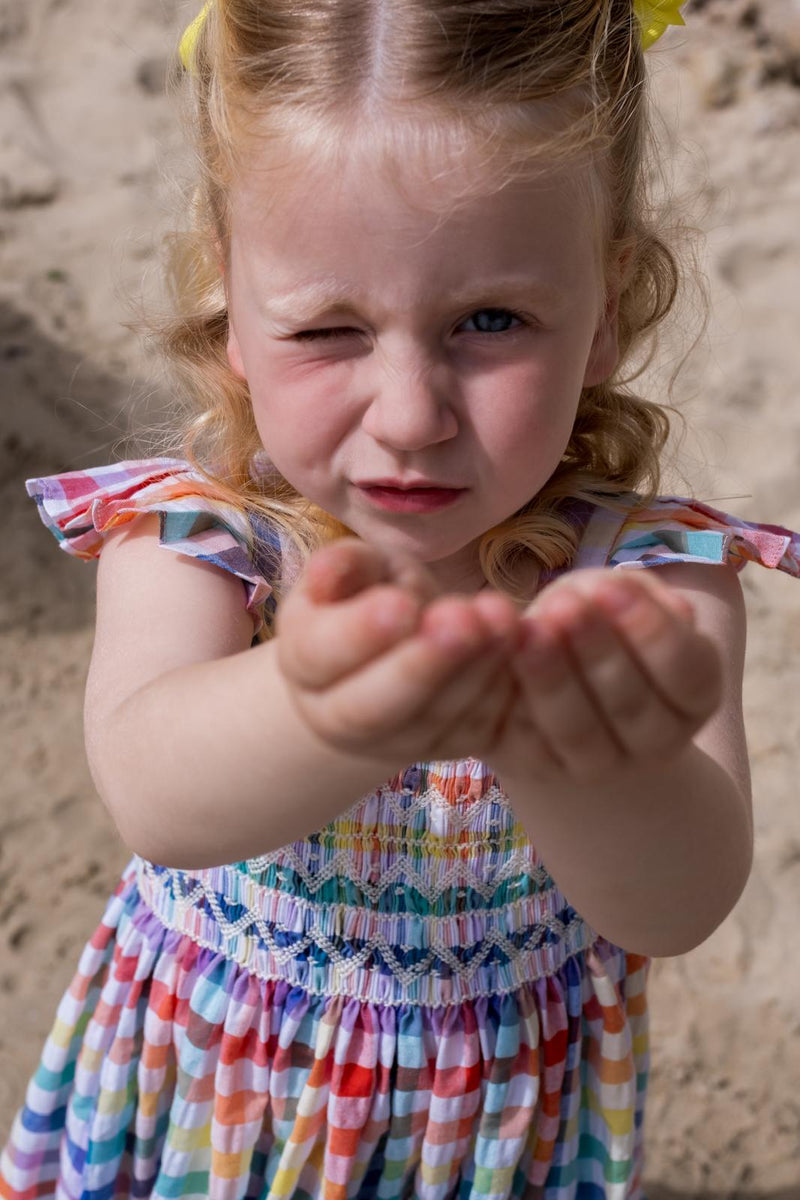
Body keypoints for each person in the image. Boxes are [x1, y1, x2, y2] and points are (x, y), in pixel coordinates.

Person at [2, 1, 799, 1197]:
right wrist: (322, 703)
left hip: (475, 1148)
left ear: (606, 304)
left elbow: (672, 906)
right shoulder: (199, 536)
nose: (411, 412)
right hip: (209, 1120)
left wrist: (568, 741)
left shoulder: (645, 581)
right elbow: (155, 794)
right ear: (229, 298)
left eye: (490, 321)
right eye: (328, 326)